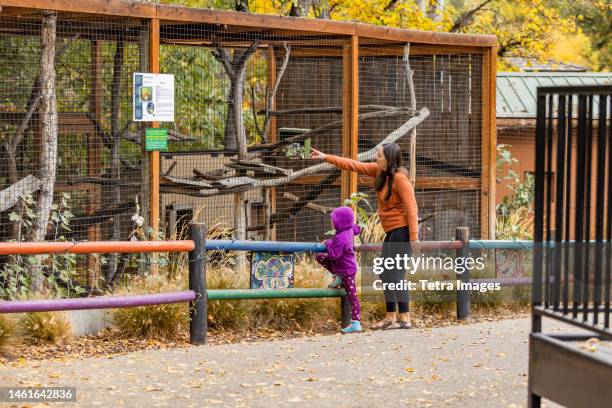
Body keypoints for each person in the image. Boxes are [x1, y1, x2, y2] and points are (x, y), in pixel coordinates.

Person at [310, 143, 420, 330]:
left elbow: (412, 207)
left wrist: (414, 236)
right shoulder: (380, 172)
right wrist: (325, 157)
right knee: (386, 273)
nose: (375, 158)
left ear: (389, 159)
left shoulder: (400, 179)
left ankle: (404, 318)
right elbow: (353, 165)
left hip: (402, 231)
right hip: (392, 231)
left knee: (395, 273)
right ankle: (391, 317)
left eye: (379, 155)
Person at [316, 206, 362, 334]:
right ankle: (338, 276)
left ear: (341, 222)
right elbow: (357, 229)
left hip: (347, 271)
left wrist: (328, 243)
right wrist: (358, 229)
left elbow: (333, 255)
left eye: (334, 220)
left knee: (352, 295)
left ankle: (356, 323)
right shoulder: (349, 229)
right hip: (343, 268)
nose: (331, 222)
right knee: (320, 257)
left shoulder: (341, 237)